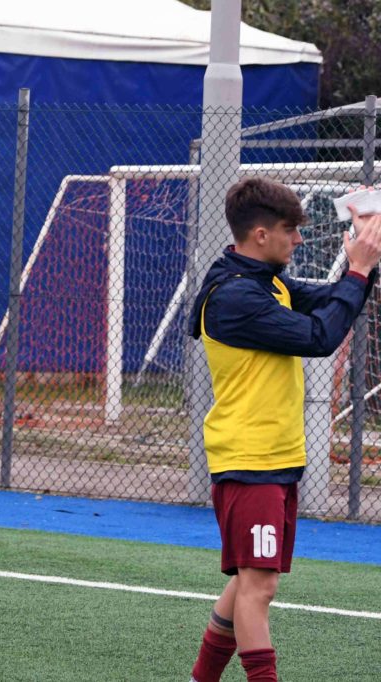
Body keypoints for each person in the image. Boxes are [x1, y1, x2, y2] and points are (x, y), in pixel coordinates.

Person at [187, 177, 381, 682]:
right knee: (260, 586)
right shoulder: (235, 296)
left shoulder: (266, 282)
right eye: (290, 231)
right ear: (260, 235)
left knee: (247, 581)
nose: (298, 240)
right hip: (249, 461)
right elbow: (320, 336)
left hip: (273, 460)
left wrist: (366, 254)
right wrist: (358, 269)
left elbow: (336, 299)